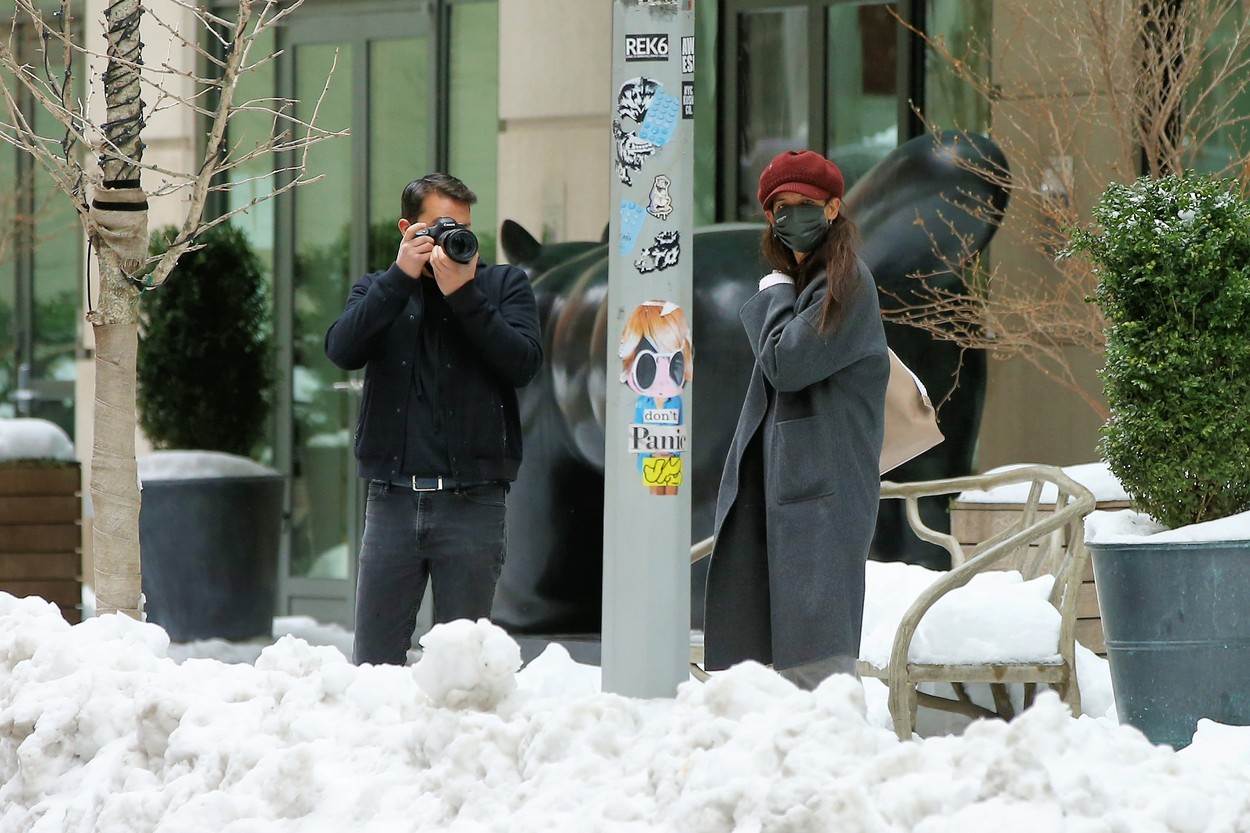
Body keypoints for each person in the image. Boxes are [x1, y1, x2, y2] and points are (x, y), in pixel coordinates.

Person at [324, 173, 542, 665]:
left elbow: (524, 363)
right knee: (374, 663)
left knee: (462, 667)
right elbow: (341, 349)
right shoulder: (380, 290)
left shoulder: (503, 285)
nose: (453, 239)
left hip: (474, 503)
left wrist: (465, 296)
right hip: (392, 501)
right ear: (408, 230)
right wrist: (399, 278)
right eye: (440, 227)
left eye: (462, 228)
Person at [703, 150, 890, 690]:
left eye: (802, 204)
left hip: (822, 496)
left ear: (832, 208)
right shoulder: (811, 278)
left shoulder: (845, 281)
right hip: (793, 492)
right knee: (773, 658)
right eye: (776, 207)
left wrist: (776, 296)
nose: (788, 216)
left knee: (815, 660)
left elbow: (787, 363)